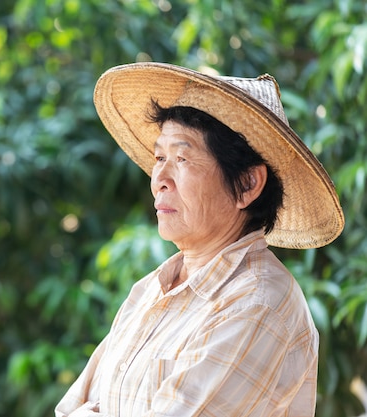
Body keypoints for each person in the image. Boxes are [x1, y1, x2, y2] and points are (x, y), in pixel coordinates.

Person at [55, 62, 345, 417]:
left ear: (248, 185)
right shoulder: (153, 289)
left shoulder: (258, 304)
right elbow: (72, 406)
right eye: (159, 156)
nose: (159, 177)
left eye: (181, 157)